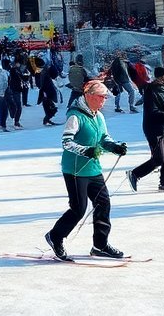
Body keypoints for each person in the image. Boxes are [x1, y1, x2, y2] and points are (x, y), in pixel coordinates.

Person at [44, 79, 128, 261]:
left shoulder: (98, 115)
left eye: (105, 97)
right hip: (74, 170)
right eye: (101, 97)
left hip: (93, 168)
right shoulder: (75, 116)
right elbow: (66, 142)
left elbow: (104, 138)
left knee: (103, 204)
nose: (104, 100)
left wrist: (115, 147)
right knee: (79, 209)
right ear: (88, 96)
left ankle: (100, 245)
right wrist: (86, 150)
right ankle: (55, 236)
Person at [128, 66, 164, 192]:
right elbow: (153, 112)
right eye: (163, 75)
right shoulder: (150, 90)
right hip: (153, 127)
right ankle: (135, 174)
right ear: (158, 77)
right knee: (159, 158)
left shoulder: (163, 89)